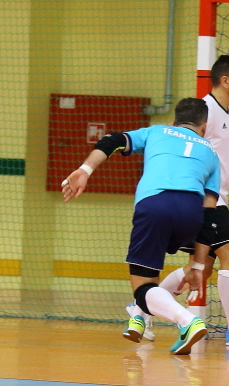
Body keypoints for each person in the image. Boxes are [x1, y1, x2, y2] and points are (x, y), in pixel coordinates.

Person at [127, 55, 229, 347]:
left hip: (212, 199)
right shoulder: (205, 111)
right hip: (206, 201)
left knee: (201, 268)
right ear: (225, 80)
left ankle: (140, 308)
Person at [61, 98, 220, 355]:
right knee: (158, 278)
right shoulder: (211, 152)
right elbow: (211, 216)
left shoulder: (157, 131)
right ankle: (139, 316)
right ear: (204, 127)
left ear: (174, 122)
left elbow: (113, 140)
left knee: (143, 284)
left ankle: (186, 320)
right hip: (191, 212)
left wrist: (85, 170)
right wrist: (199, 266)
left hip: (155, 205)